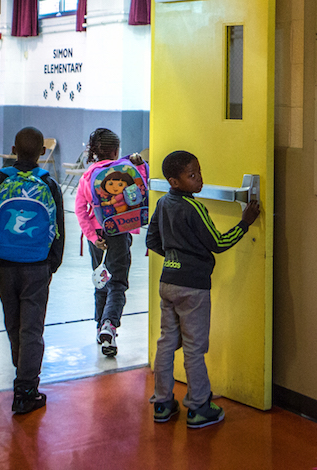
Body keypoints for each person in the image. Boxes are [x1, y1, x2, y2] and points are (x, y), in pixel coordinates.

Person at [146, 150, 261, 429]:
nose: (199, 180)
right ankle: (199, 406)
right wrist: (245, 223)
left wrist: (175, 258)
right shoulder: (193, 207)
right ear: (174, 181)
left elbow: (152, 240)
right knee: (195, 349)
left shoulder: (162, 204)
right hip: (193, 287)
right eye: (192, 175)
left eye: (199, 172)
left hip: (168, 282)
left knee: (166, 342)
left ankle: (162, 402)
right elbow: (217, 243)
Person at [0, 126, 64, 415]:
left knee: (13, 323)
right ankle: (26, 389)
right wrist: (52, 263)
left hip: (5, 263)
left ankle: (20, 370)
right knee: (32, 327)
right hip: (37, 265)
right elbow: (59, 227)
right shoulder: (48, 183)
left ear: (12, 150)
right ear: (42, 153)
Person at [75, 128, 148, 357]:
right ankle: (109, 325)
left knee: (101, 282)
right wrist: (141, 164)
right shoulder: (126, 169)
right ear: (116, 151)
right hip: (120, 231)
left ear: (94, 151)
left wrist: (93, 237)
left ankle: (99, 327)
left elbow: (79, 209)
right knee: (118, 283)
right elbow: (142, 186)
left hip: (98, 235)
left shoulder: (88, 176)